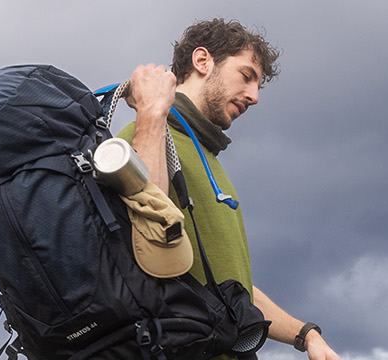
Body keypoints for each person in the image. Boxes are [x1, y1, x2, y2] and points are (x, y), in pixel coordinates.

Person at [119, 18, 342, 360]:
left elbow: (232, 289)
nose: (253, 97)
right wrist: (152, 112)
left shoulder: (211, 163)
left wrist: (306, 335)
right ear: (203, 61)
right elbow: (150, 225)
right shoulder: (142, 134)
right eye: (246, 76)